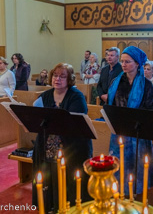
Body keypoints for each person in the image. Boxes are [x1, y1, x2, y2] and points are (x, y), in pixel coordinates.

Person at [32, 63, 92, 213]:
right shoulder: (45, 95)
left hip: (71, 147)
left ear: (70, 79)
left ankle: (70, 207)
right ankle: (50, 205)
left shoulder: (76, 96)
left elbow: (72, 123)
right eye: (55, 75)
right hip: (47, 145)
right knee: (50, 176)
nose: (57, 79)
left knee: (68, 179)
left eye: (62, 76)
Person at [107, 46, 153, 196]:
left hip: (139, 136)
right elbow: (112, 106)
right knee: (119, 171)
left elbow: (152, 111)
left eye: (127, 62)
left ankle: (135, 201)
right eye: (122, 61)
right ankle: (120, 199)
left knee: (137, 173)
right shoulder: (116, 82)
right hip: (119, 133)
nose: (123, 64)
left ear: (137, 64)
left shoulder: (146, 85)